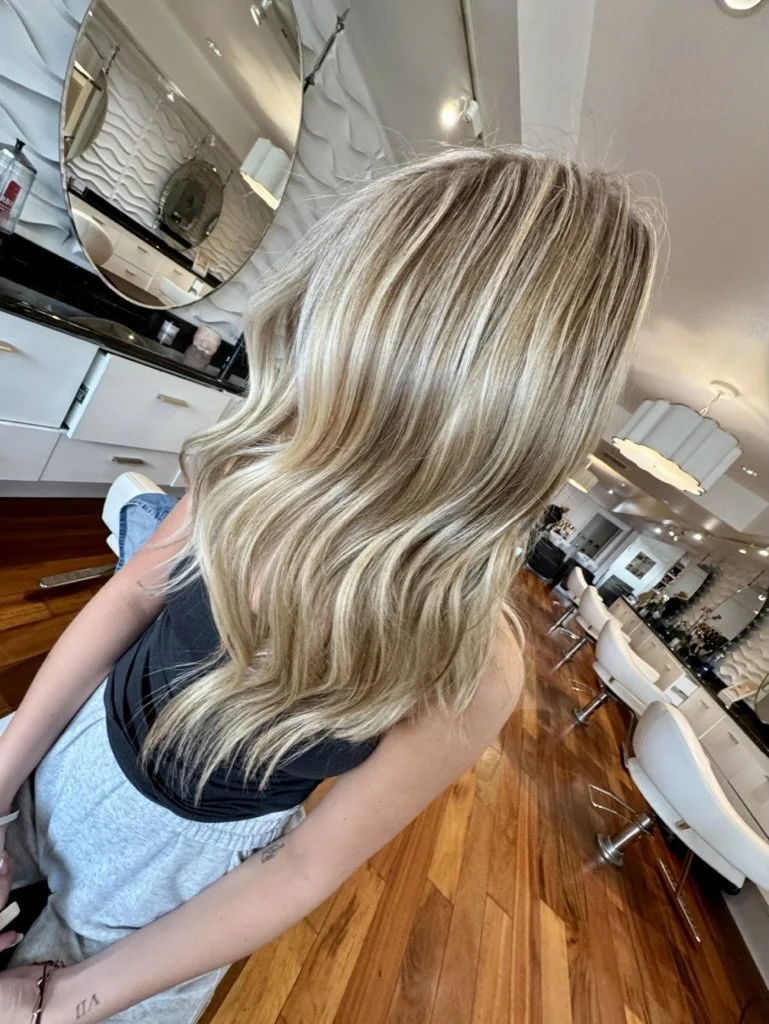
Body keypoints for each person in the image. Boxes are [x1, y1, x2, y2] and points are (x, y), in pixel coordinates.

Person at [0, 147, 657, 1023]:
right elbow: (130, 598)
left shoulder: (468, 665)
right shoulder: (260, 465)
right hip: (59, 756)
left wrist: (60, 1001)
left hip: (155, 900)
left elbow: (305, 866)